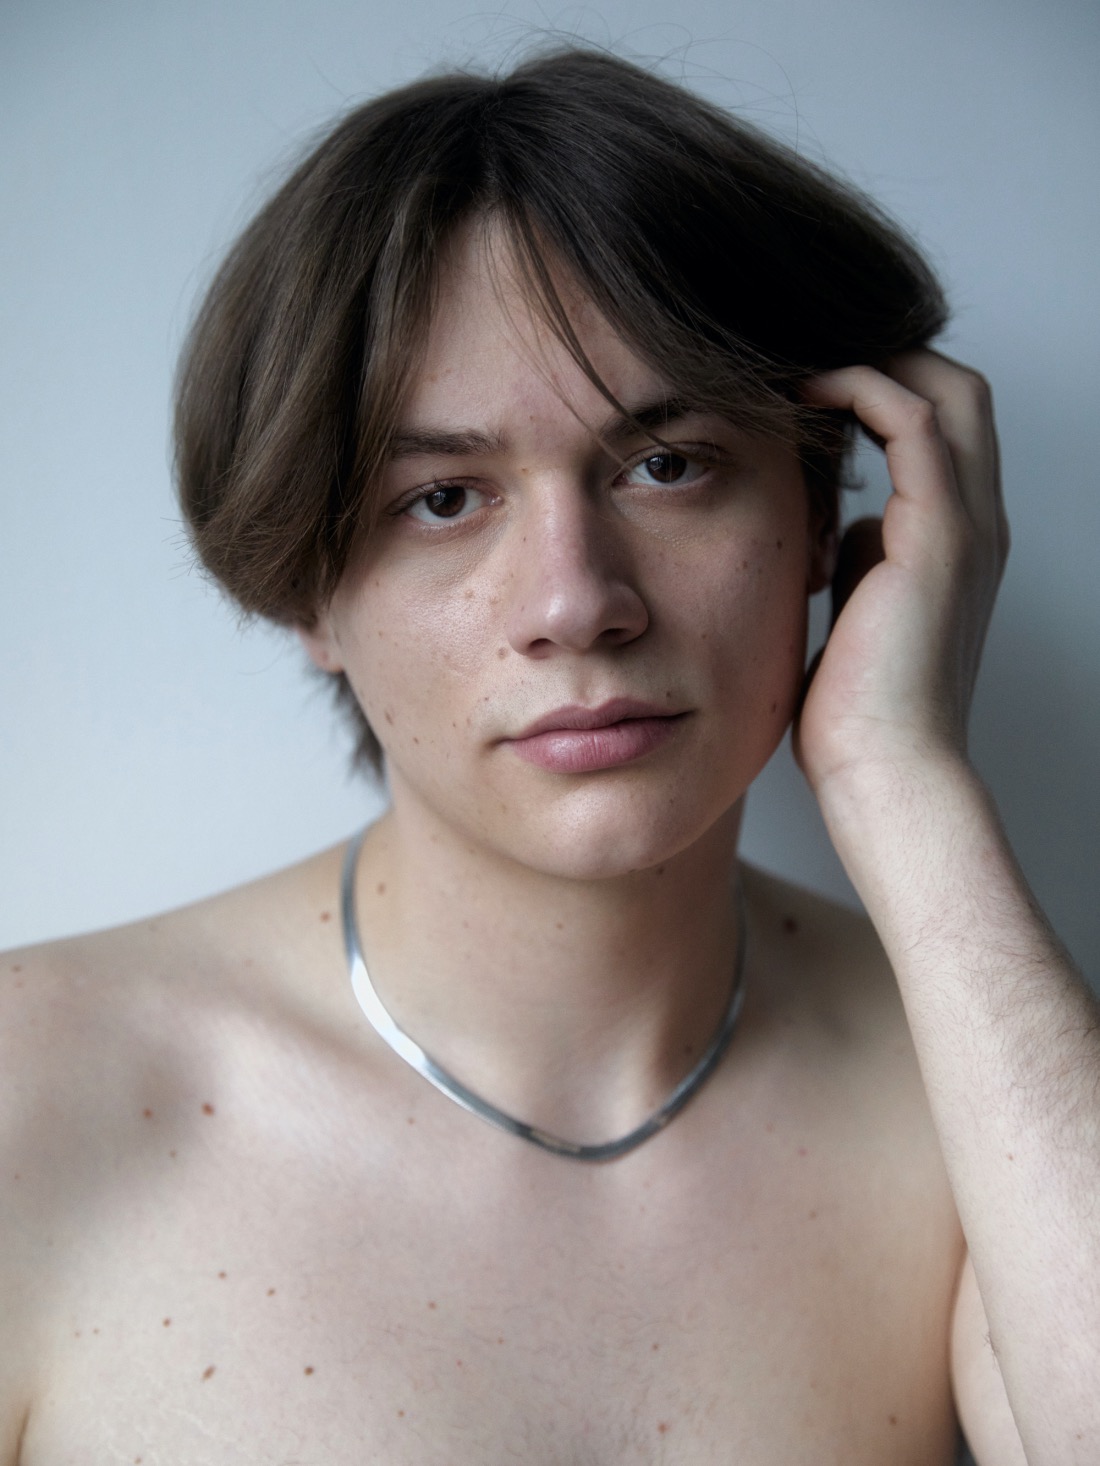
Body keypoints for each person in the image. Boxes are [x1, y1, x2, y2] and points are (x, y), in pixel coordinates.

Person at [1, 46, 1096, 1465]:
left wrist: (906, 781)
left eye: (668, 464)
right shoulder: (41, 1085)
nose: (578, 602)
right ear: (306, 591)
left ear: (824, 513)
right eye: (443, 498)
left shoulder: (984, 1091)